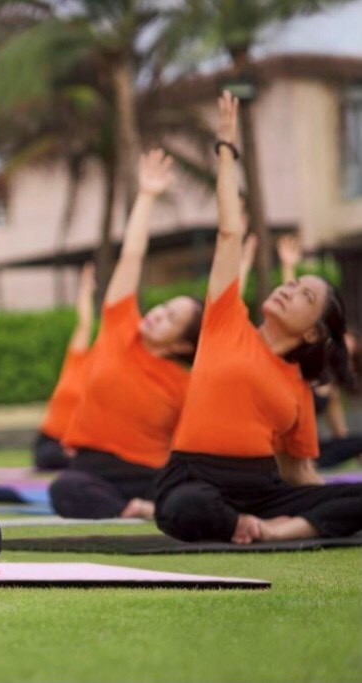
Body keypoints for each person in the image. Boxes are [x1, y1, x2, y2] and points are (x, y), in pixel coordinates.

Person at [154, 92, 362, 544]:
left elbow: (300, 472)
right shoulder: (226, 321)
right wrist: (227, 151)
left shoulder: (298, 387)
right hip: (196, 478)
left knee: (356, 497)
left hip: (263, 491)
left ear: (312, 330)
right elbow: (230, 231)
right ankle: (240, 526)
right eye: (291, 282)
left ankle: (270, 530)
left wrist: (333, 505)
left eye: (304, 293)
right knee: (186, 509)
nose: (288, 288)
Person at [50, 150, 203, 520]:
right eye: (162, 307)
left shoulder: (187, 383)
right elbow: (132, 257)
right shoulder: (122, 328)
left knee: (197, 496)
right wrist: (147, 196)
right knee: (64, 489)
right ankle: (131, 510)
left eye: (169, 318)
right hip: (93, 468)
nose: (155, 315)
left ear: (181, 344)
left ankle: (146, 504)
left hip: (151, 472)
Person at [274, 235, 362, 469]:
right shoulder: (304, 362)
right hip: (281, 451)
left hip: (311, 456)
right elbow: (295, 316)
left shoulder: (330, 391)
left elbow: (340, 433)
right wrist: (288, 267)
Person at [32, 263, 96, 471]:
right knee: (47, 458)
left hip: (77, 447)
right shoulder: (78, 360)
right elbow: (84, 323)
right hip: (49, 440)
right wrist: (86, 289)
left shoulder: (109, 384)